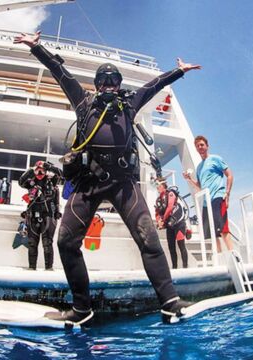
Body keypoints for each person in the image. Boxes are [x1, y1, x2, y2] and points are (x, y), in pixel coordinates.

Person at [14, 31, 202, 326]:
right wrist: (36, 46)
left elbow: (154, 85)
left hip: (123, 185)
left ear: (120, 85)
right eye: (103, 81)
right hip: (88, 184)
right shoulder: (83, 103)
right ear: (96, 84)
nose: (108, 86)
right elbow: (59, 72)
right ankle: (82, 309)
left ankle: (169, 302)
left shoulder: (129, 104)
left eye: (113, 81)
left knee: (149, 240)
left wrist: (178, 71)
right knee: (65, 241)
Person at [183, 135, 234, 252]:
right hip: (206, 201)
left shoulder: (216, 159)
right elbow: (200, 186)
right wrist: (189, 179)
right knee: (212, 232)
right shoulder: (199, 167)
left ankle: (233, 254)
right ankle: (220, 255)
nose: (200, 147)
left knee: (223, 227)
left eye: (202, 145)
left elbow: (229, 175)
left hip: (217, 196)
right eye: (197, 146)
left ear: (207, 146)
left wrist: (228, 193)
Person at [18, 160, 62, 270]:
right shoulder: (30, 182)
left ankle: (49, 268)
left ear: (46, 171)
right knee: (32, 243)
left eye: (42, 170)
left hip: (48, 215)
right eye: (37, 170)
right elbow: (20, 182)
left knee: (47, 243)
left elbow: (62, 174)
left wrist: (49, 167)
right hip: (33, 215)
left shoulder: (52, 181)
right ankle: (32, 268)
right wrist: (30, 171)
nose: (40, 173)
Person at [155, 179, 188, 269]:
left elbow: (170, 208)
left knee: (181, 245)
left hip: (178, 222)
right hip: (170, 225)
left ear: (163, 186)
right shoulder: (158, 200)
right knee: (171, 247)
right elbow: (157, 213)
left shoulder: (170, 194)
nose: (157, 187)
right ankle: (174, 268)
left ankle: (185, 267)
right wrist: (159, 221)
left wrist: (163, 220)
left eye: (158, 185)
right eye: (156, 185)